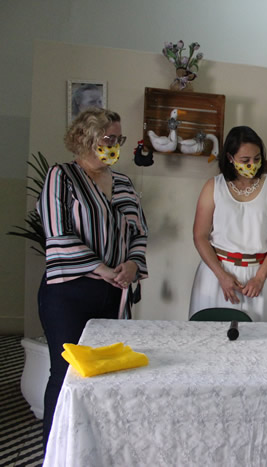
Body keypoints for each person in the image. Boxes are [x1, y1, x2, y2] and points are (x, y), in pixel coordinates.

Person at [37, 108, 148, 448]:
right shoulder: (61, 176)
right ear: (87, 137)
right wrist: (102, 269)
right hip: (69, 293)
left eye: (118, 139)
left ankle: (95, 449)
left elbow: (139, 233)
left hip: (114, 294)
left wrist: (132, 264)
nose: (115, 145)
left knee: (108, 374)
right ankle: (55, 452)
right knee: (67, 373)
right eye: (108, 138)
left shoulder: (124, 183)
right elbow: (57, 233)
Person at [189, 126, 267, 321]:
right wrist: (221, 275)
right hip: (217, 273)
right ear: (230, 158)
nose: (252, 164)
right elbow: (200, 236)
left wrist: (260, 278)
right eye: (245, 160)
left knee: (260, 336)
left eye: (257, 159)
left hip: (259, 274)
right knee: (210, 334)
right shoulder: (213, 186)